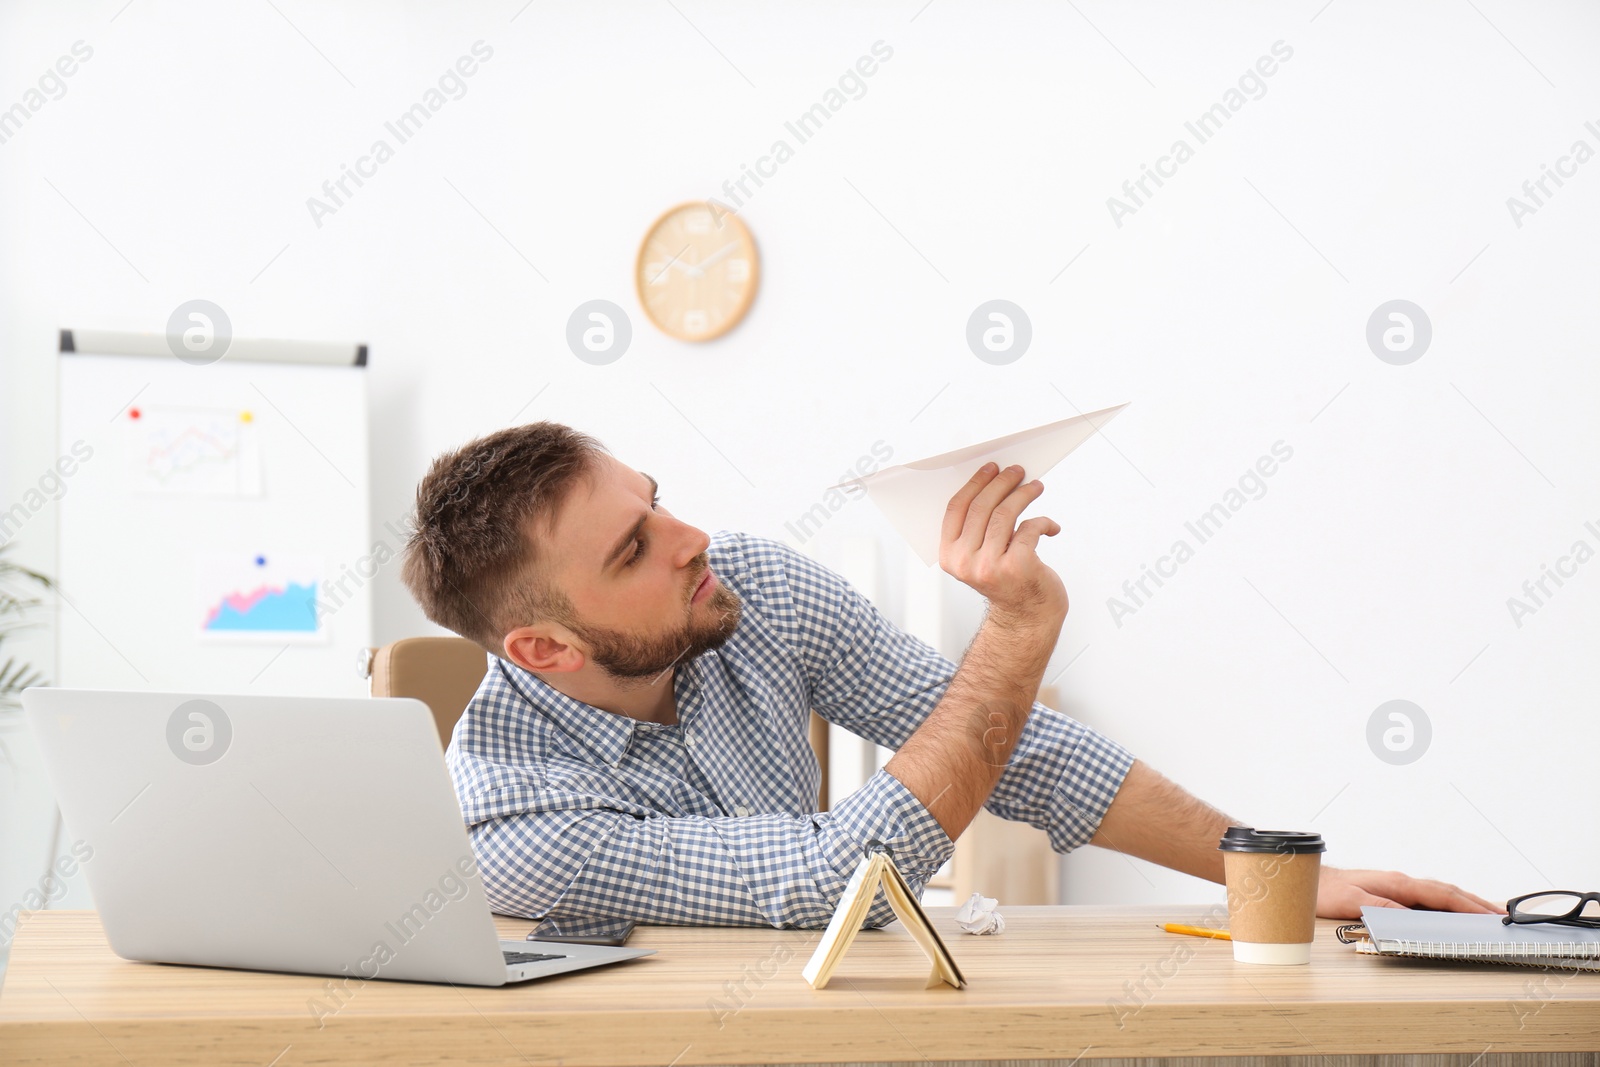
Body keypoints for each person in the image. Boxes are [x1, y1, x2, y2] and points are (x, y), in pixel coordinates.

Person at [400, 421, 1499, 928]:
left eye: (655, 499)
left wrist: (1279, 879)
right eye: (633, 549)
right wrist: (1015, 632)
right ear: (543, 647)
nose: (692, 537)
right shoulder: (509, 822)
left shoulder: (749, 590)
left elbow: (1023, 753)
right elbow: (841, 878)